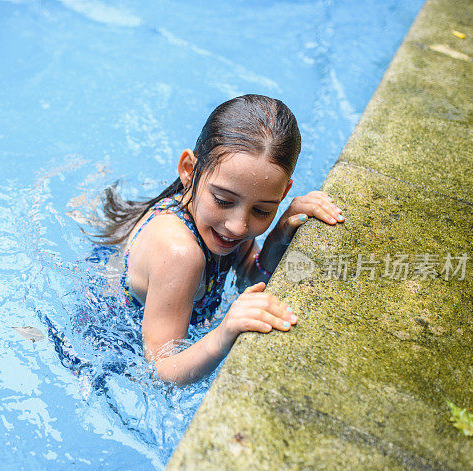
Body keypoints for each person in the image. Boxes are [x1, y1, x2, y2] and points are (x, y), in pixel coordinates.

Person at [89, 94, 344, 385]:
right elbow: (158, 372)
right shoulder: (180, 254)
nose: (239, 226)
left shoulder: (222, 219)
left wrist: (281, 233)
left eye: (263, 210)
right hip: (108, 342)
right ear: (189, 170)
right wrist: (222, 335)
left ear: (283, 194)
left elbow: (250, 277)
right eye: (223, 200)